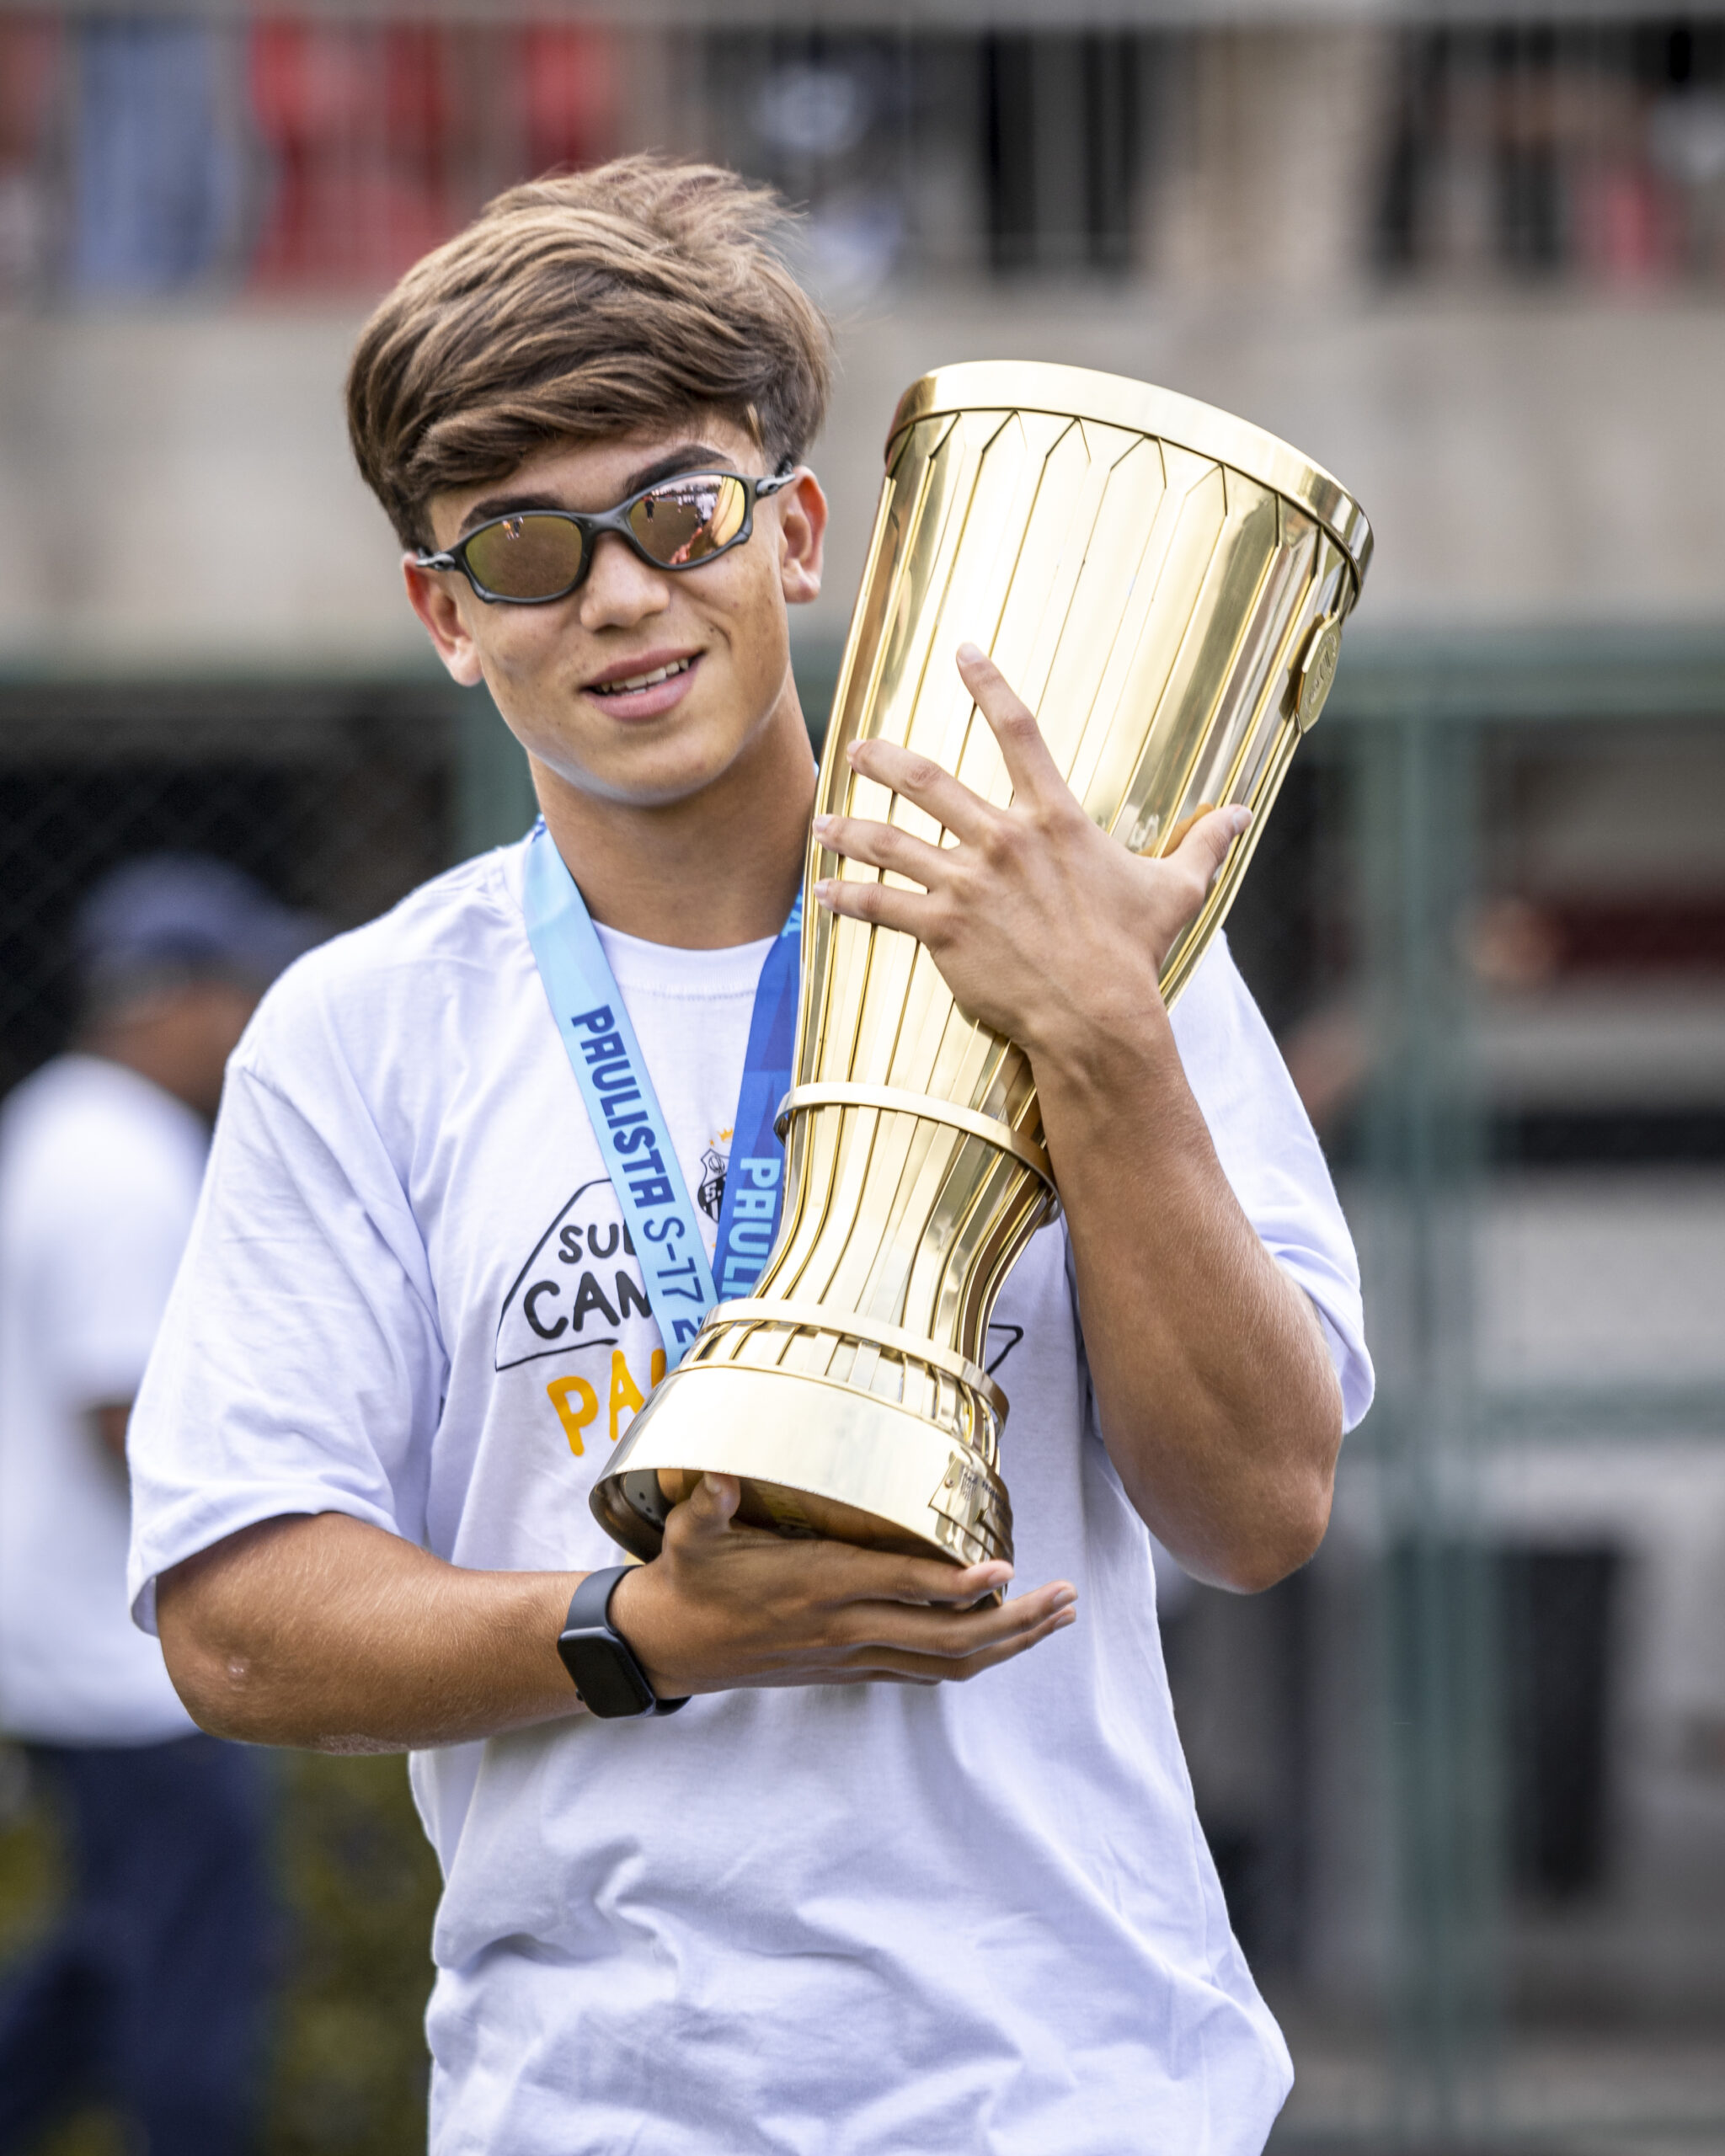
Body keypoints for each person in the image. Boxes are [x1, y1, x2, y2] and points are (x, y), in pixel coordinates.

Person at [126, 159, 1374, 2155]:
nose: (621, 592)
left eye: (680, 511)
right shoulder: (364, 1034)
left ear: (792, 532)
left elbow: (1258, 1506)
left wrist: (1105, 1044)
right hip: (594, 2109)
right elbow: (238, 1618)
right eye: (525, 547)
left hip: (1079, 2094)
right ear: (446, 616)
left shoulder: (1081, 928)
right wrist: (644, 1633)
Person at [0, 855, 318, 2153]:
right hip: (128, 1660)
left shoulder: (62, 1121)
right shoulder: (120, 1155)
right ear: (170, 998)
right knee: (194, 1992)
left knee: (112, 1956)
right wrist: (291, 1558)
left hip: (76, 1641)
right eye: (236, 992)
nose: (248, 1025)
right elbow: (120, 1413)